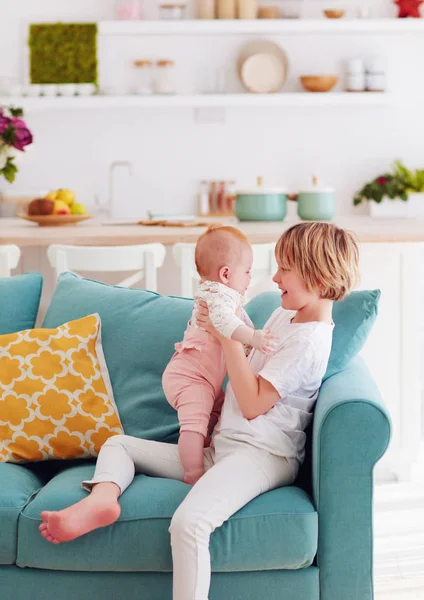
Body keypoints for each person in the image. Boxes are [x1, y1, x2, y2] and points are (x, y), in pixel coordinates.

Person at [39, 221, 360, 600]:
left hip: (262, 454)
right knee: (119, 445)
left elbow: (255, 403)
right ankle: (101, 500)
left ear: (317, 275)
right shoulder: (285, 316)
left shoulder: (311, 340)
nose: (274, 278)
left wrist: (227, 338)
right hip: (225, 448)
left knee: (189, 524)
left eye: (284, 268)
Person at [162, 224, 277, 485]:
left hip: (205, 380)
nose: (249, 279)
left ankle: (208, 452)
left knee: (217, 416)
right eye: (247, 272)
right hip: (191, 378)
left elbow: (239, 322)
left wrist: (250, 341)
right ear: (226, 274)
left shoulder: (225, 296)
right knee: (194, 425)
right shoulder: (216, 296)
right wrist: (254, 338)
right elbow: (227, 323)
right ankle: (193, 474)